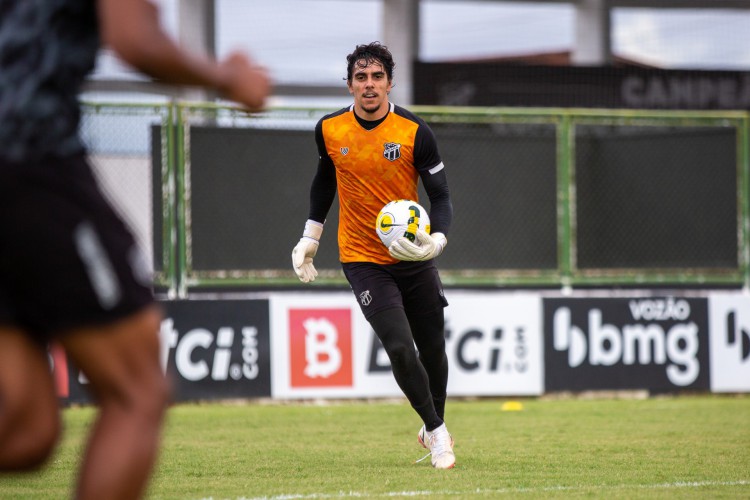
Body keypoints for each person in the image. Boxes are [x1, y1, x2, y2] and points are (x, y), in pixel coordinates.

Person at [0, 0, 270, 499]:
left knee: (25, 429)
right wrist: (227, 77)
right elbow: (138, 42)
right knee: (137, 390)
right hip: (27, 159)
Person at [291, 42, 455, 469]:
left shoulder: (415, 132)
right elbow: (324, 182)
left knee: (433, 352)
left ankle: (432, 421)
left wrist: (436, 239)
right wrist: (311, 236)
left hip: (414, 256)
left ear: (389, 82)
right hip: (362, 258)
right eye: (361, 78)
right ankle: (437, 434)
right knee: (400, 347)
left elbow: (440, 196)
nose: (369, 85)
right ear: (349, 85)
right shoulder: (329, 129)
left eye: (376, 76)